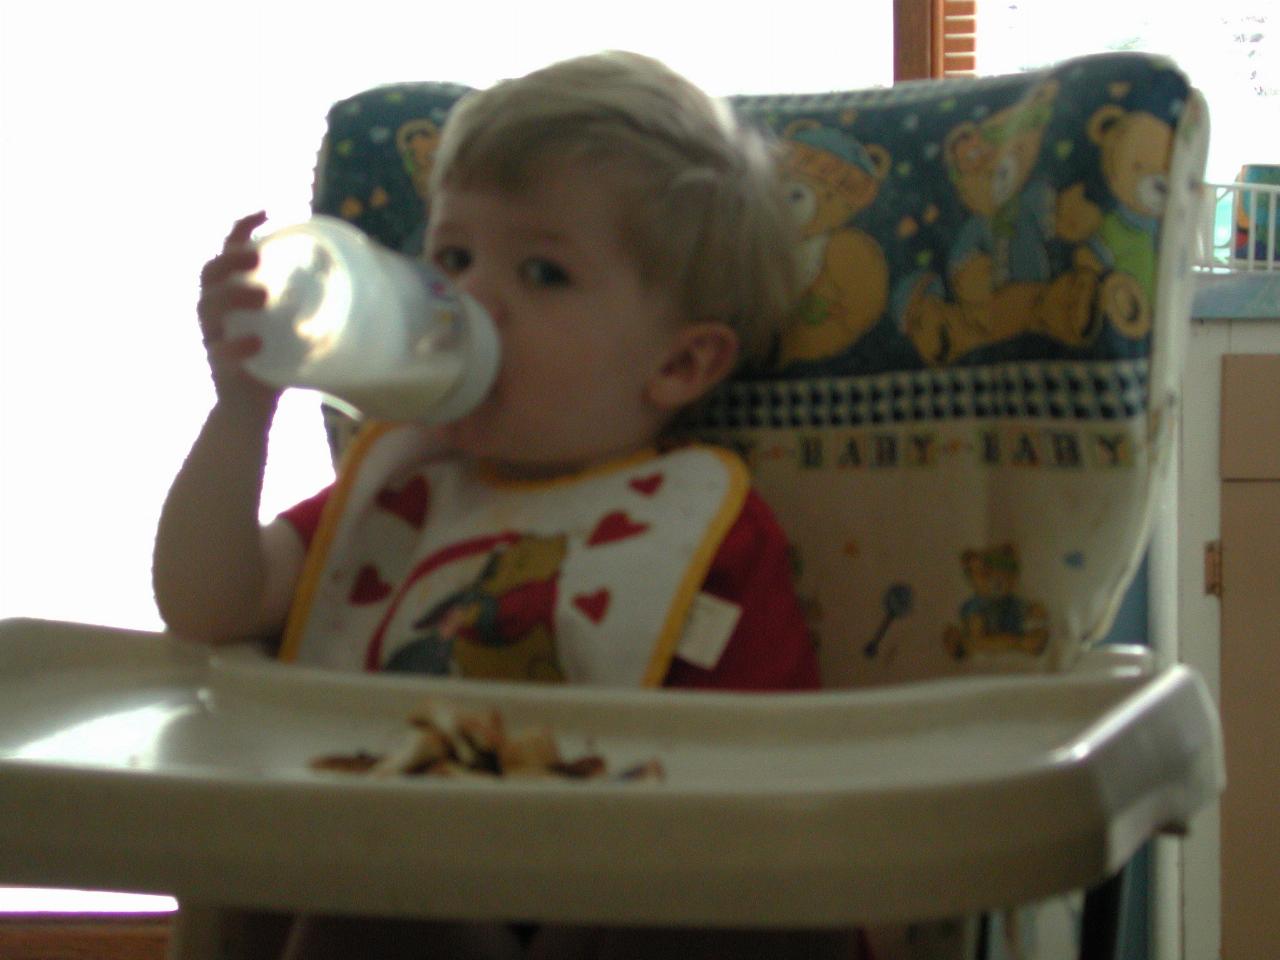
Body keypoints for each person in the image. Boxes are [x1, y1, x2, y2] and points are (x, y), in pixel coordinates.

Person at [154, 51, 844, 958]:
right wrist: (244, 406)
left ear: (678, 364)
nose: (466, 297)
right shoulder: (402, 490)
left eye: (542, 274)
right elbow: (208, 603)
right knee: (347, 897)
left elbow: (779, 815)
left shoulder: (695, 529)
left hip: (613, 905)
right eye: (452, 255)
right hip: (406, 890)